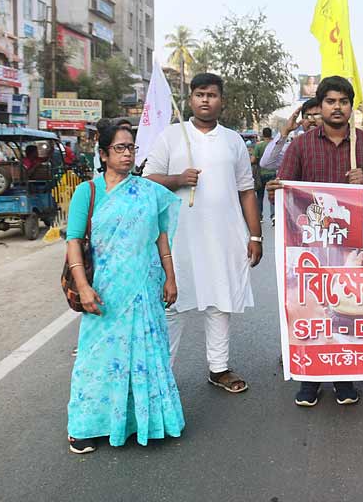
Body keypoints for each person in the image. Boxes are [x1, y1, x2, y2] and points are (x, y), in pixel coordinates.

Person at [267, 75, 363, 407]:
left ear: (352, 107)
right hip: (312, 245)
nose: (337, 108)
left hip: (352, 247)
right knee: (308, 309)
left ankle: (343, 377)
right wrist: (277, 191)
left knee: (343, 312)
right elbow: (286, 185)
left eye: (343, 102)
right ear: (320, 106)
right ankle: (310, 378)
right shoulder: (302, 145)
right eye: (330, 101)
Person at [65, 122, 183, 454]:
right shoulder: (87, 193)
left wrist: (170, 277)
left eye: (131, 147)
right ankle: (85, 427)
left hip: (145, 289)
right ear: (102, 154)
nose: (128, 153)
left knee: (145, 355)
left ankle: (139, 421)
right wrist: (83, 287)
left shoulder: (148, 192)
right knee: (96, 359)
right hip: (105, 292)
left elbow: (162, 239)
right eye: (120, 148)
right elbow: (74, 242)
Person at [144, 72, 263, 395]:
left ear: (221, 101)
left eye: (211, 95)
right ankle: (161, 373)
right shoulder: (171, 136)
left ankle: (219, 368)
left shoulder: (233, 140)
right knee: (172, 303)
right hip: (178, 238)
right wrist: (178, 179)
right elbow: (147, 179)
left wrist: (255, 236)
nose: (205, 100)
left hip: (224, 235)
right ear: (190, 99)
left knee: (220, 301)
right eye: (199, 94)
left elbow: (247, 191)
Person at [260, 97, 322, 173]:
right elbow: (266, 163)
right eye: (307, 116)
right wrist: (286, 130)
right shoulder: (294, 148)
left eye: (317, 116)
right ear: (302, 120)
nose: (312, 120)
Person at [252, 127, 275, 221]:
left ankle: (259, 216)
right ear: (271, 134)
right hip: (273, 173)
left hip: (261, 174)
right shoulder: (274, 145)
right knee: (273, 195)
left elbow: (253, 160)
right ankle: (274, 216)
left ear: (263, 134)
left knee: (260, 196)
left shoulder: (259, 146)